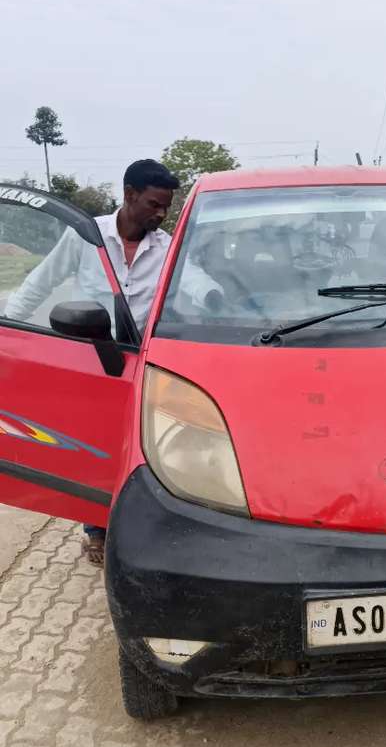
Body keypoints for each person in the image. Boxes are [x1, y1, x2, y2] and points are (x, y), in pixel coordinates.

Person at [5, 158, 223, 566]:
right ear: (129, 194)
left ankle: (146, 518)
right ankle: (96, 529)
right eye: (154, 204)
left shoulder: (165, 245)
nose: (161, 214)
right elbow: (41, 282)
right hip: (90, 359)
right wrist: (8, 329)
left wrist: (215, 297)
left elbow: (193, 278)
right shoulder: (86, 236)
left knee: (142, 442)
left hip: (140, 361)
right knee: (94, 446)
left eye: (166, 206)